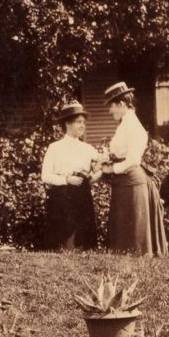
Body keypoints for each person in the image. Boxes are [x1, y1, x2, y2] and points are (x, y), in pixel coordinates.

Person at [100, 81, 167, 256]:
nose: (110, 111)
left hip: (132, 182)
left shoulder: (133, 126)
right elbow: (120, 152)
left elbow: (133, 160)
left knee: (134, 234)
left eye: (112, 106)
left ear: (121, 104)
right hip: (124, 182)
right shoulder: (124, 124)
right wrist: (106, 159)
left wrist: (111, 169)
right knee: (124, 231)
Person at [40, 100, 103, 250]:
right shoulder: (55, 148)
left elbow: (100, 168)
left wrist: (96, 176)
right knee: (64, 241)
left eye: (84, 122)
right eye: (78, 122)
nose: (83, 126)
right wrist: (66, 179)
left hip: (83, 197)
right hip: (62, 198)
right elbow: (45, 175)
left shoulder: (88, 148)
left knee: (85, 241)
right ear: (68, 124)